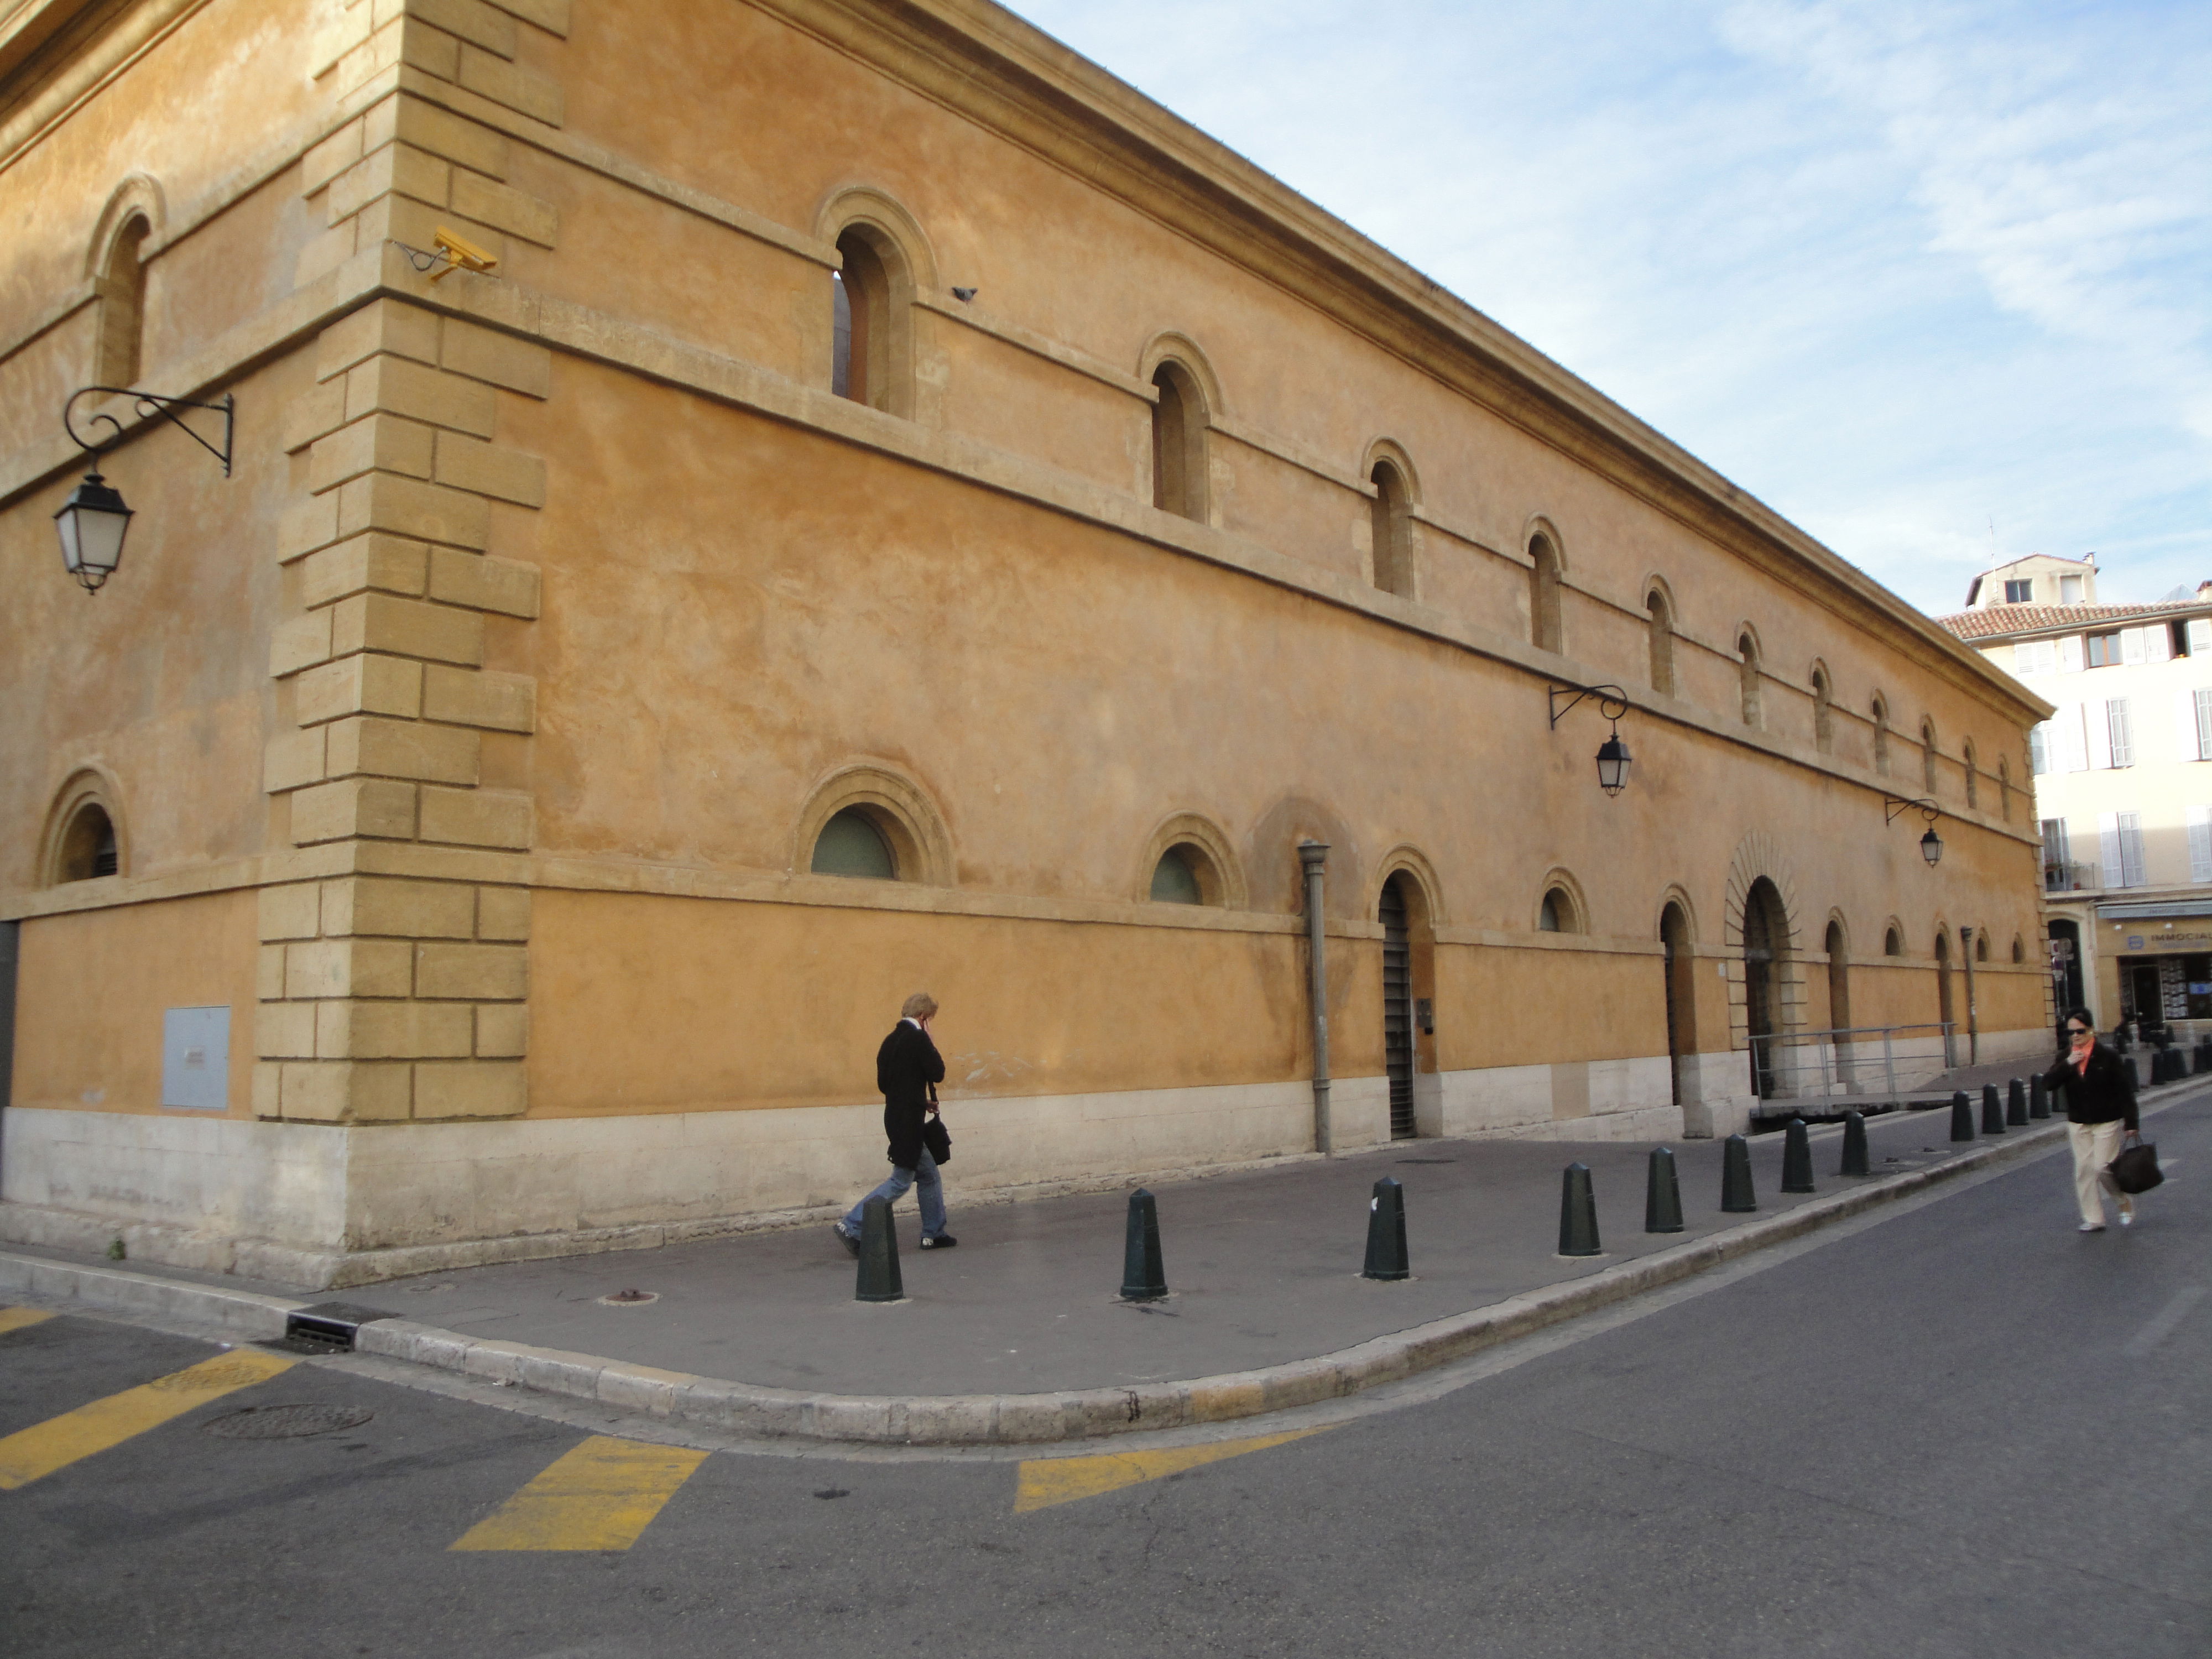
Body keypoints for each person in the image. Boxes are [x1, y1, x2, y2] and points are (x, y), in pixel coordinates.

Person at [833, 992, 957, 1253]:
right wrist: (931, 1044)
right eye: (930, 1020)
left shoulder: (889, 1041)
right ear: (924, 1017)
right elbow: (938, 1072)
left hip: (895, 1117)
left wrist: (920, 1102)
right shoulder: (919, 1039)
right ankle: (852, 1224)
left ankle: (933, 1233)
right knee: (901, 1180)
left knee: (929, 1176)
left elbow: (887, 1085)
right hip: (909, 1123)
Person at [2043, 1006, 2140, 1233]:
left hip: (2107, 1119)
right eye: (2070, 1033)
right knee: (2084, 1171)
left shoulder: (2108, 1056)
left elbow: (2124, 1090)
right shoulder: (2065, 1057)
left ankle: (2123, 1202)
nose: (2075, 1037)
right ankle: (2094, 1218)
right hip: (2078, 1121)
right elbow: (2047, 1084)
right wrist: (2068, 1064)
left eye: (2080, 1031)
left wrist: (2132, 1122)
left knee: (2103, 1168)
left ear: (2091, 1031)